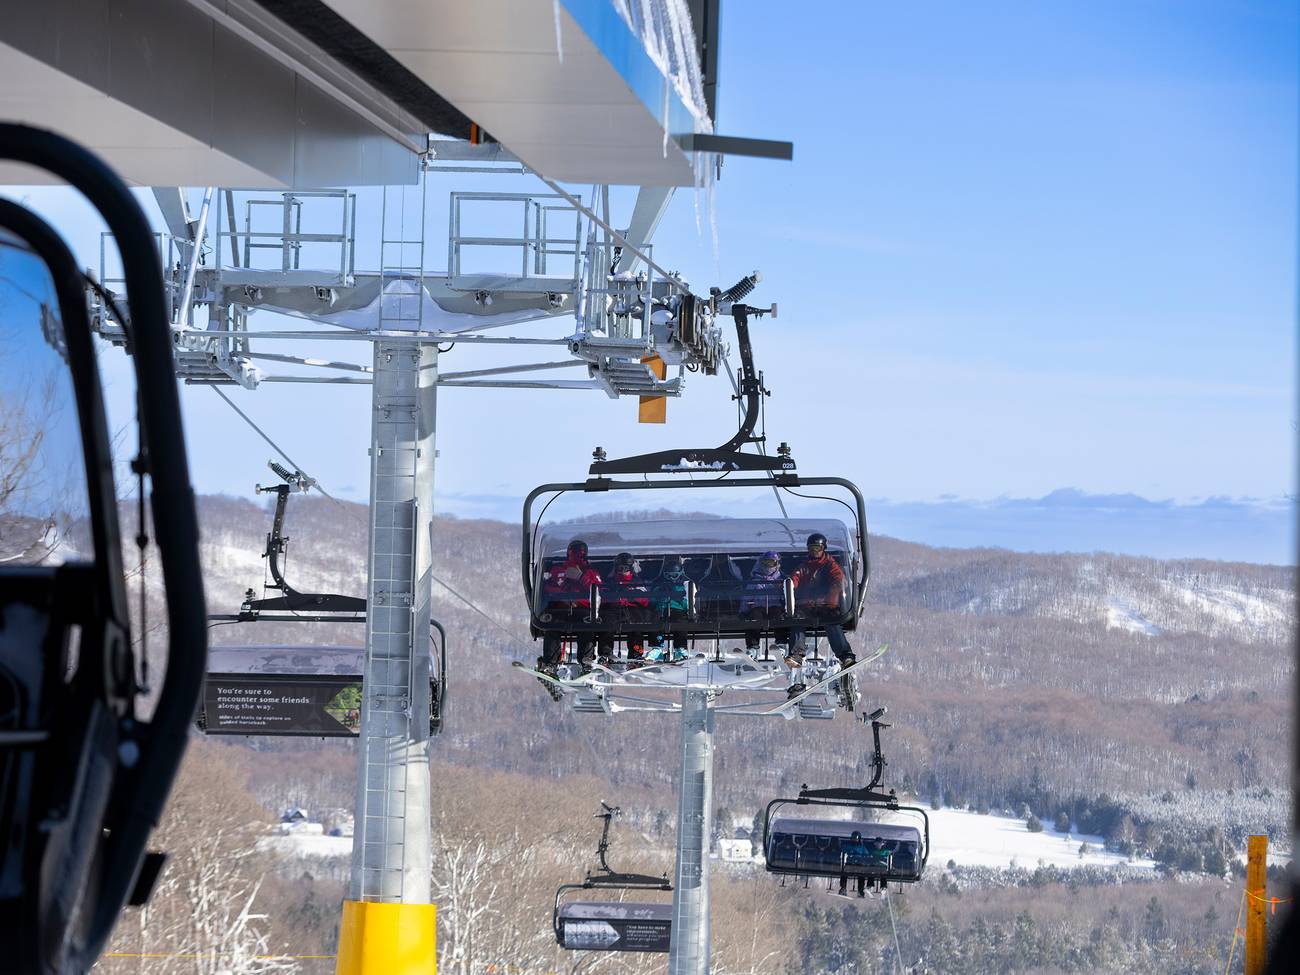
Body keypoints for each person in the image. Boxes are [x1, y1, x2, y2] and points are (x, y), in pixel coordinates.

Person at [786, 533, 855, 692]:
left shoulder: (829, 565)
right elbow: (795, 577)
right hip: (808, 605)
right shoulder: (805, 565)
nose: (814, 551)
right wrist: (791, 584)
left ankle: (845, 656)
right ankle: (796, 655)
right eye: (811, 548)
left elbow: (838, 579)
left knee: (831, 624)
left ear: (823, 548)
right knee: (798, 623)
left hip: (825, 606)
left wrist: (830, 601)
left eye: (817, 548)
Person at [537, 539, 602, 674]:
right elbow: (547, 588)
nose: (577, 556)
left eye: (580, 553)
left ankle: (586, 660)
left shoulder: (590, 572)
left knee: (586, 625)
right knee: (552, 627)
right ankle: (550, 662)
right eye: (574, 553)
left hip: (583, 608)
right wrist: (564, 596)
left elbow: (597, 591)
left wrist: (581, 577)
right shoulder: (558, 571)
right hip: (561, 608)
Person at [739, 551, 790, 657]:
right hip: (759, 608)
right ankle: (753, 647)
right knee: (754, 615)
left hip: (774, 608)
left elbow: (787, 596)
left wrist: (788, 609)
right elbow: (746, 597)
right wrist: (743, 611)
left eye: (771, 563)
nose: (768, 566)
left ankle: (781, 643)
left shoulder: (781, 581)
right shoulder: (755, 580)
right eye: (766, 562)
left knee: (778, 614)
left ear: (777, 564)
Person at [607, 551, 650, 665]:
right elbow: (604, 597)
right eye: (620, 568)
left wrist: (632, 595)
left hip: (632, 611)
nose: (623, 571)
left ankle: (636, 654)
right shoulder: (611, 582)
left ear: (631, 568)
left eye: (625, 568)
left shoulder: (636, 582)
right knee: (607, 625)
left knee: (636, 628)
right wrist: (616, 597)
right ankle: (606, 653)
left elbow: (645, 600)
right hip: (615, 611)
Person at [646, 554, 690, 661]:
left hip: (677, 610)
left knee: (680, 622)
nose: (671, 578)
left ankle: (680, 648)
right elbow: (652, 602)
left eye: (674, 575)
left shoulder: (685, 585)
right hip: (661, 609)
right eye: (668, 575)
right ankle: (657, 647)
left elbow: (689, 604)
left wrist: (679, 598)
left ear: (680, 574)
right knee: (656, 621)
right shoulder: (658, 586)